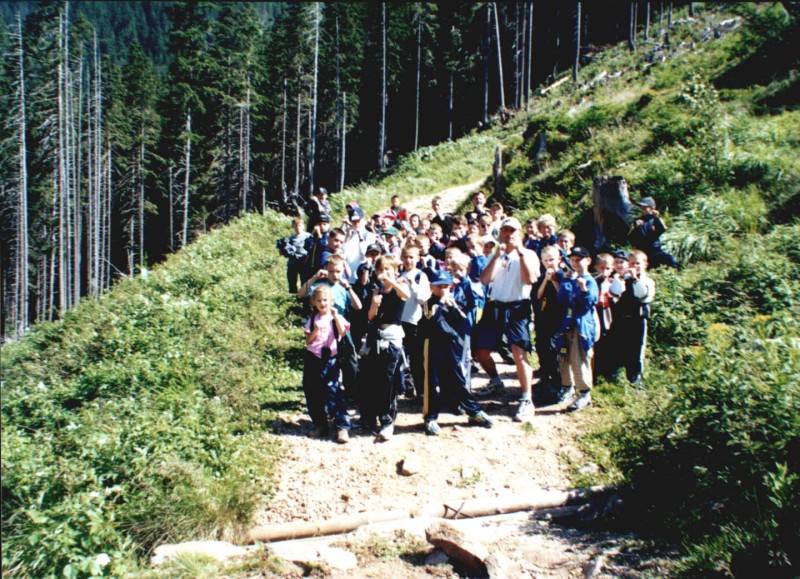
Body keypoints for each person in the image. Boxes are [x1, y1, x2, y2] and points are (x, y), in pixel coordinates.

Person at [473, 217, 541, 422]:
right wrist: (496, 256)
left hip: (517, 306)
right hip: (495, 304)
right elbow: (484, 280)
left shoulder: (529, 254)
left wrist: (519, 253)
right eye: (505, 230)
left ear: (520, 233)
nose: (508, 234)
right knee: (481, 351)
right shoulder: (496, 254)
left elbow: (530, 279)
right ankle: (495, 381)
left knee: (518, 352)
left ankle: (527, 399)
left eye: (512, 230)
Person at [420, 270, 494, 435]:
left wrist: (452, 306)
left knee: (458, 378)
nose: (442, 289)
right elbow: (433, 321)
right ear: (432, 287)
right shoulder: (428, 304)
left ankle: (473, 411)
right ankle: (430, 417)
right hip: (433, 345)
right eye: (439, 286)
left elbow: (463, 322)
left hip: (451, 345)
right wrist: (441, 303)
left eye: (445, 286)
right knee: (432, 382)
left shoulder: (452, 303)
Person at [359, 255, 410, 441]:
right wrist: (374, 303)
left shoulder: (399, 288)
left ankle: (388, 421)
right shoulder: (377, 290)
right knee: (370, 379)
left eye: (388, 269)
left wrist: (392, 282)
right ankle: (369, 418)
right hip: (375, 338)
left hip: (391, 339)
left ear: (395, 271)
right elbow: (370, 317)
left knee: (388, 382)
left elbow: (406, 295)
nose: (384, 273)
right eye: (381, 270)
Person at [303, 285, 351, 443]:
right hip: (313, 357)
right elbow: (308, 341)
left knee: (333, 391)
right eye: (319, 301)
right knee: (312, 391)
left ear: (331, 301)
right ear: (314, 302)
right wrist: (315, 331)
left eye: (325, 300)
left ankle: (342, 426)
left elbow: (343, 332)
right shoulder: (313, 319)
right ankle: (320, 424)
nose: (322, 303)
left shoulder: (336, 317)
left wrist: (336, 317)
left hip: (330, 358)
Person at [555, 247, 599, 412]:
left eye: (579, 260)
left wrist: (583, 290)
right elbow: (562, 300)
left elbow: (588, 304)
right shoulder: (571, 278)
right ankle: (567, 387)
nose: (575, 263)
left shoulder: (590, 281)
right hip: (567, 323)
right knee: (564, 356)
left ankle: (584, 393)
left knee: (579, 357)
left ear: (588, 261)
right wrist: (566, 281)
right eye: (573, 260)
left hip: (582, 326)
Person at [608, 249, 656, 385]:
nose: (634, 266)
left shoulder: (647, 281)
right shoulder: (623, 279)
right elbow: (615, 293)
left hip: (638, 320)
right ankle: (614, 376)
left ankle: (635, 378)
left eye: (637, 263)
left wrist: (635, 279)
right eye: (631, 263)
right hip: (621, 318)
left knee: (636, 349)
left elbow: (642, 295)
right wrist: (621, 278)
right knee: (619, 346)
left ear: (645, 264)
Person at [533, 245, 565, 405]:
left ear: (559, 259)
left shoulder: (562, 276)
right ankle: (545, 379)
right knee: (542, 348)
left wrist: (553, 281)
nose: (549, 263)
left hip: (556, 319)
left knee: (553, 351)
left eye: (551, 260)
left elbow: (563, 296)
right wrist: (546, 280)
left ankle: (558, 384)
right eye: (545, 260)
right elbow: (538, 295)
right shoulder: (542, 276)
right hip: (542, 318)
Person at [399, 245, 431, 400]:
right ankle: (407, 388)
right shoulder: (400, 275)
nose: (408, 260)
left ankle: (421, 391)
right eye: (405, 257)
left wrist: (413, 284)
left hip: (415, 322)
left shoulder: (420, 276)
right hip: (401, 321)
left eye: (411, 257)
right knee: (402, 357)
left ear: (418, 258)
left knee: (417, 358)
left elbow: (424, 299)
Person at [628, 196, 677, 269]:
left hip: (656, 252)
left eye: (645, 208)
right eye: (641, 208)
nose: (642, 210)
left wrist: (656, 218)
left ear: (652, 208)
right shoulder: (638, 221)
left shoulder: (655, 220)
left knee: (671, 260)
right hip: (643, 253)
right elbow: (631, 239)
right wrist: (635, 227)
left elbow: (661, 229)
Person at [593, 253, 616, 382]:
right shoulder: (594, 281)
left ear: (612, 269)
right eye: (602, 268)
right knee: (597, 341)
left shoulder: (613, 282)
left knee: (608, 342)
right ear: (596, 267)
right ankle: (595, 371)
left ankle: (608, 372)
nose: (604, 271)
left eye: (607, 268)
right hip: (597, 311)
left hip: (608, 313)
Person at [277, 217, 311, 294]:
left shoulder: (307, 236)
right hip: (293, 263)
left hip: (303, 262)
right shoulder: (290, 239)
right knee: (292, 281)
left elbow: (311, 248)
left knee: (304, 281)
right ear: (292, 227)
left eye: (299, 225)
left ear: (303, 226)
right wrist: (282, 249)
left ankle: (304, 297)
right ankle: (293, 297)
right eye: (295, 226)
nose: (297, 228)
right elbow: (285, 252)